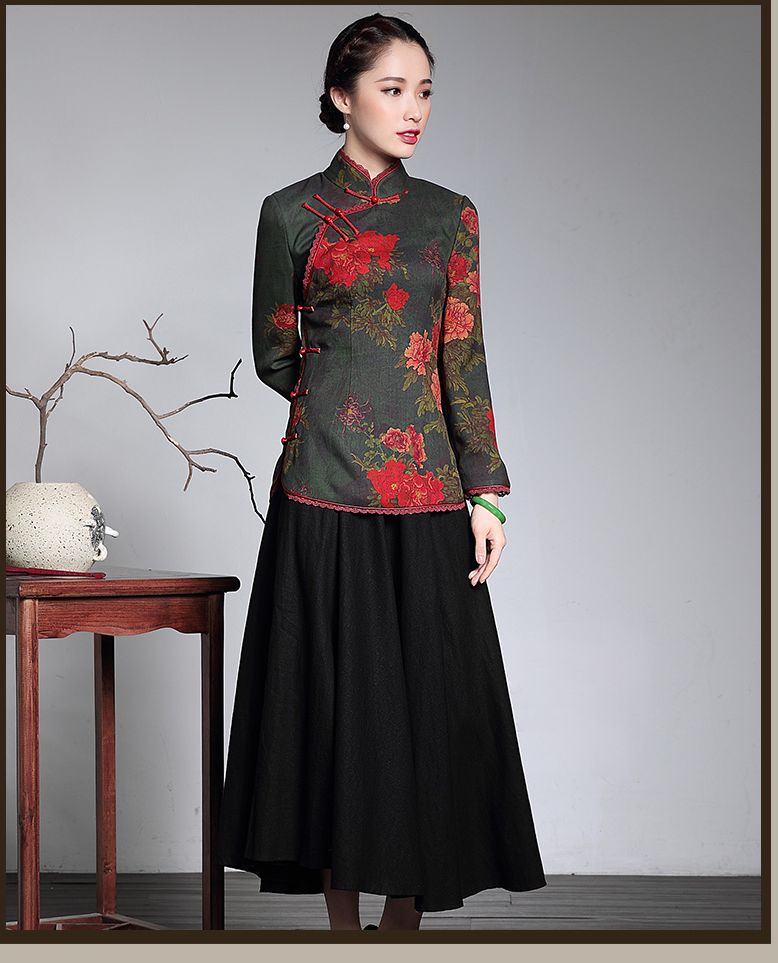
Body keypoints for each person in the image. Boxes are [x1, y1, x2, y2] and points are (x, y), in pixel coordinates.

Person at [217, 13, 546, 931]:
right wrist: (344, 404)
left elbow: (463, 359)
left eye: (425, 91)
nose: (414, 110)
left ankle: (402, 926)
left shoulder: (450, 216)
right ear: (341, 96)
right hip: (319, 491)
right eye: (393, 89)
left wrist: (487, 493)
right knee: (330, 713)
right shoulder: (289, 213)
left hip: (431, 497)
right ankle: (342, 932)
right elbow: (275, 353)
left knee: (426, 712)